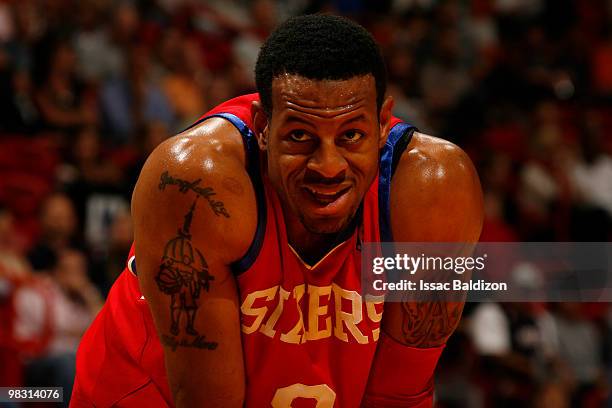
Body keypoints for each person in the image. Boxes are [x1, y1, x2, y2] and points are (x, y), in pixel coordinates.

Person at [72, 15, 483, 407]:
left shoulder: (436, 191)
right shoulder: (197, 183)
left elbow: (400, 396)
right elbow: (207, 402)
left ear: (381, 123)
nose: (328, 166)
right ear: (263, 125)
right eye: (300, 136)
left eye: (351, 135)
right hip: (141, 393)